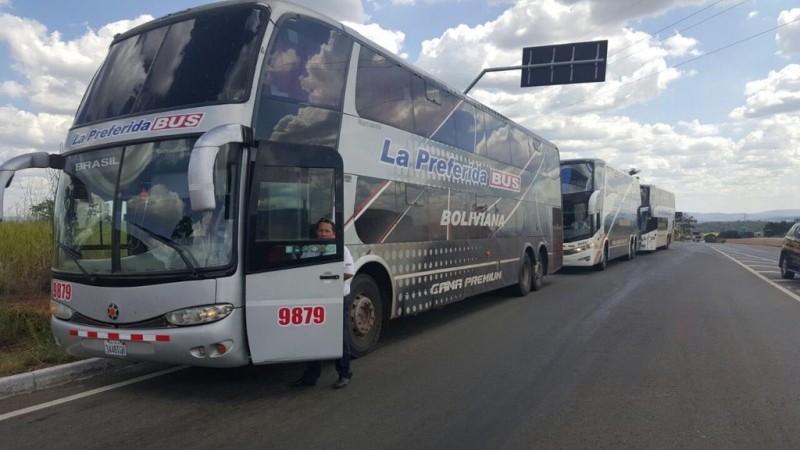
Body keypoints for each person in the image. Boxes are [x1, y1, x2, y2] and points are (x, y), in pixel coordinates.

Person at [290, 217, 354, 389]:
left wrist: (325, 280)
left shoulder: (342, 249)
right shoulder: (310, 249)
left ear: (333, 234)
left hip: (337, 299)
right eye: (321, 230)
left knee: (339, 338)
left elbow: (349, 273)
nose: (324, 233)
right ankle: (310, 377)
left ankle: (344, 374)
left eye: (327, 231)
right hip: (315, 300)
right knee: (313, 338)